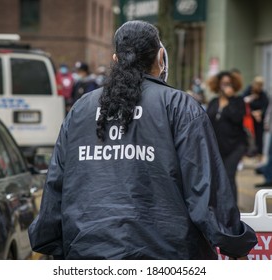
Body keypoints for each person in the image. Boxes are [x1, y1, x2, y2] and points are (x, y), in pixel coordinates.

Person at [28, 20, 257, 260]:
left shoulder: (81, 109)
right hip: (168, 255)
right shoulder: (179, 106)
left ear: (115, 60)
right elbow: (205, 188)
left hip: (87, 252)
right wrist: (235, 244)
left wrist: (49, 241)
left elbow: (56, 182)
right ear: (160, 58)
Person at [206, 71, 247, 202]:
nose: (225, 86)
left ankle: (232, 208)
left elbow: (237, 118)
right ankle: (217, 206)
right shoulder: (213, 102)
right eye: (223, 84)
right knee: (215, 177)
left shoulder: (238, 101)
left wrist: (228, 102)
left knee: (229, 176)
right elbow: (207, 120)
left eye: (228, 84)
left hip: (235, 146)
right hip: (216, 146)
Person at [242, 76, 269, 161]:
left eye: (260, 85)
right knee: (247, 137)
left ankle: (259, 155)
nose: (258, 87)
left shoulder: (263, 94)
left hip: (259, 119)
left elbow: (266, 106)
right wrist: (252, 112)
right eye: (257, 85)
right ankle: (246, 154)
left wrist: (260, 113)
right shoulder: (248, 92)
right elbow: (243, 103)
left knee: (259, 137)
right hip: (249, 119)